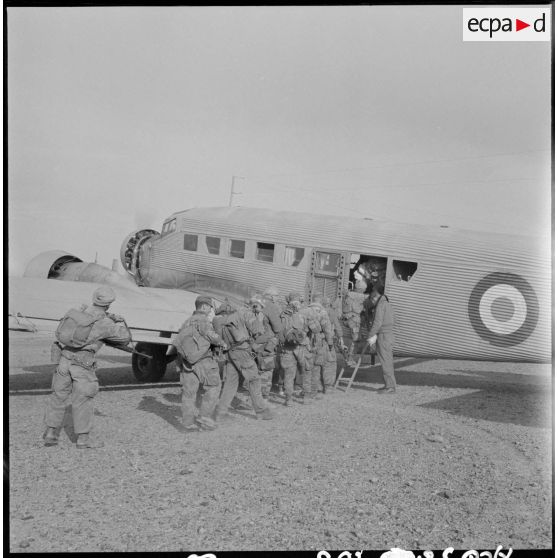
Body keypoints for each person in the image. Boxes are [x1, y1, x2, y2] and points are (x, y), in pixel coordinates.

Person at [43, 286, 131, 449]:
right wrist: (119, 321)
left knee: (58, 396)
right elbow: (125, 339)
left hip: (64, 358)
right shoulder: (106, 323)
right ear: (109, 304)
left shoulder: (79, 312)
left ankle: (50, 433)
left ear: (94, 298)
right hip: (82, 363)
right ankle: (83, 440)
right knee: (83, 399)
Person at [173, 295, 227, 431]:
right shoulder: (203, 320)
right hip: (204, 361)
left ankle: (187, 423)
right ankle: (204, 417)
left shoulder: (186, 321)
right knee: (214, 386)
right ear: (204, 306)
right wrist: (222, 342)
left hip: (187, 362)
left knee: (189, 393)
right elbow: (212, 337)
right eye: (209, 307)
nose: (211, 310)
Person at [213, 300, 273, 420]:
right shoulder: (242, 314)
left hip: (230, 353)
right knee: (254, 380)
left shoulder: (218, 321)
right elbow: (258, 330)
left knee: (230, 383)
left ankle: (220, 412)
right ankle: (261, 411)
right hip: (242, 352)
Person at [278, 292, 315, 406]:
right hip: (303, 346)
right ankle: (306, 398)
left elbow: (279, 331)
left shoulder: (283, 314)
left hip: (288, 348)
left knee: (289, 374)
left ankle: (289, 399)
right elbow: (316, 328)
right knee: (306, 372)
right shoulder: (306, 312)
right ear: (300, 301)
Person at [244, 294, 278, 399]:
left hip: (258, 347)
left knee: (260, 370)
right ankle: (262, 396)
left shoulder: (251, 315)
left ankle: (258, 394)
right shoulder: (259, 316)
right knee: (265, 371)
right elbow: (274, 329)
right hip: (263, 347)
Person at [366, 286, 396, 393]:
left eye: (372, 300)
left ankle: (390, 387)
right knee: (388, 360)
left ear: (374, 298)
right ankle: (389, 385)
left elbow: (377, 323)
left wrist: (370, 335)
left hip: (383, 336)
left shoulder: (380, 305)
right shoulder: (387, 304)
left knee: (385, 361)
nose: (372, 303)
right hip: (388, 335)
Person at [305, 295, 334, 400]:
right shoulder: (323, 312)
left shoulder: (306, 310)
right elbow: (327, 330)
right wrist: (330, 343)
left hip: (307, 342)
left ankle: (306, 391)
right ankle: (313, 392)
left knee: (307, 367)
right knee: (316, 367)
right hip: (319, 342)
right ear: (320, 301)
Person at [262, 285, 285, 395]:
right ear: (270, 296)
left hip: (254, 342)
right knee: (267, 368)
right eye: (276, 296)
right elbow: (277, 327)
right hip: (267, 343)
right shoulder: (271, 306)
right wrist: (282, 339)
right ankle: (264, 394)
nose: (278, 298)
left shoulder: (257, 303)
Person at [322, 296, 346, 394]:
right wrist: (341, 338)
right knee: (330, 364)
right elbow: (337, 326)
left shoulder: (316, 310)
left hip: (316, 342)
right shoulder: (331, 312)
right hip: (328, 342)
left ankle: (317, 385)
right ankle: (328, 387)